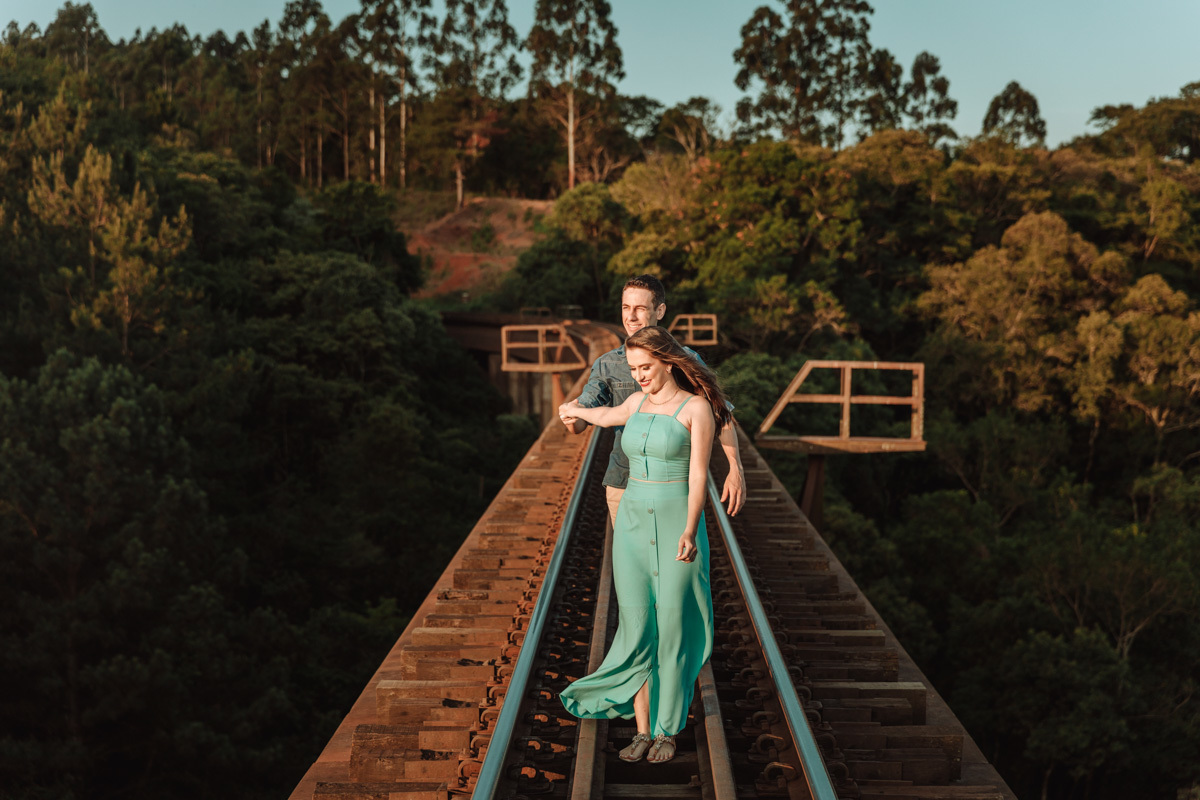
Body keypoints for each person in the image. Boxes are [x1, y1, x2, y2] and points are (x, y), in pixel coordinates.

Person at [557, 325, 733, 764]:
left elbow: (697, 475)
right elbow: (603, 417)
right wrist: (572, 408)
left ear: (668, 362)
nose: (639, 376)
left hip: (677, 522)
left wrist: (691, 529)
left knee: (673, 628)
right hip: (632, 526)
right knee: (637, 627)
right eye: (634, 369)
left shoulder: (696, 410)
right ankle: (640, 730)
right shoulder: (633, 403)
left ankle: (666, 730)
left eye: (646, 367)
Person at [559, 275, 745, 528]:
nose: (631, 317)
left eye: (640, 309)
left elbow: (722, 415)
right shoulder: (607, 364)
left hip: (673, 485)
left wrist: (735, 469)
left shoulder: (684, 359)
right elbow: (580, 424)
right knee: (631, 561)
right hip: (623, 482)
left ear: (660, 310)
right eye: (626, 308)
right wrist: (571, 415)